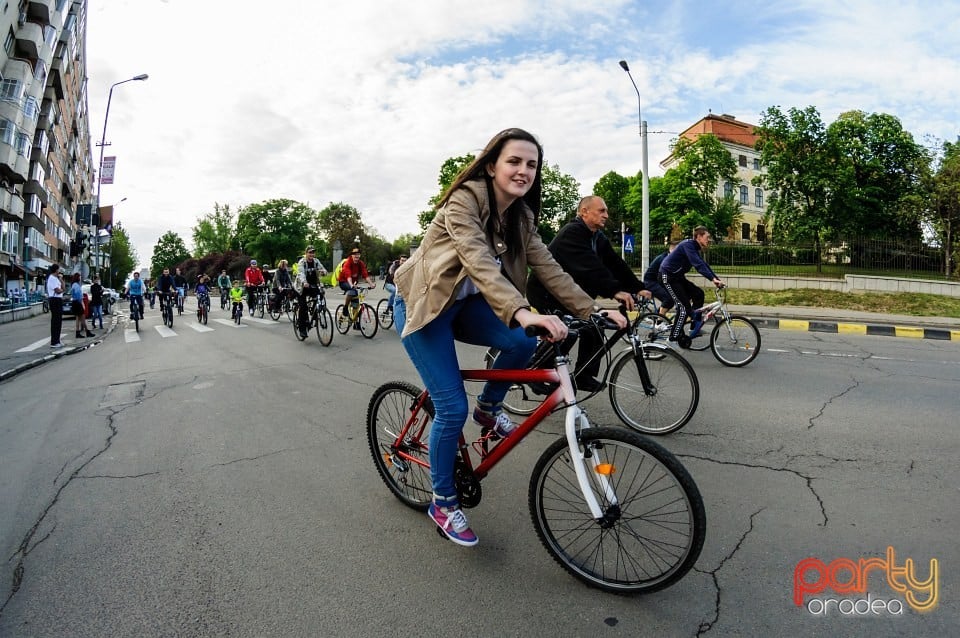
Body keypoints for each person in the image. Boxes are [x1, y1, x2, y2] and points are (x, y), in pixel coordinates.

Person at [393, 128, 627, 546]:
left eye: (531, 164)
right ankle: (443, 502)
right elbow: (478, 260)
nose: (523, 171)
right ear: (492, 165)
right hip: (425, 308)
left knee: (522, 342)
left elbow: (549, 267)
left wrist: (593, 310)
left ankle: (489, 408)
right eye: (514, 161)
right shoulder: (464, 201)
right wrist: (522, 311)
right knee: (450, 409)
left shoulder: (521, 217)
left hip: (464, 307)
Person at [526, 195, 651, 392]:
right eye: (601, 211)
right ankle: (536, 372)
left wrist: (637, 287)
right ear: (584, 212)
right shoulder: (572, 233)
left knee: (595, 328)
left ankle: (583, 375)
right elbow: (589, 268)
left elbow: (614, 264)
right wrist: (614, 291)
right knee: (566, 331)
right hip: (546, 293)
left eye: (606, 211)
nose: (606, 215)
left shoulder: (597, 237)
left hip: (570, 295)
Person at [659, 226, 725, 347]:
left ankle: (695, 326)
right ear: (698, 237)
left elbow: (704, 264)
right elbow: (698, 264)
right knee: (684, 308)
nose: (709, 240)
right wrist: (712, 279)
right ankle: (672, 340)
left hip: (678, 277)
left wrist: (716, 279)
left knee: (698, 294)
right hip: (668, 277)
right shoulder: (688, 245)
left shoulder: (694, 248)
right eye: (707, 237)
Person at [295, 246, 328, 338]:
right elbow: (301, 273)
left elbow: (323, 269)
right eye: (310, 252)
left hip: (312, 285)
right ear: (306, 253)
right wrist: (304, 282)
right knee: (303, 307)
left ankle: (314, 317)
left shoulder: (316, 261)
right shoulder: (302, 262)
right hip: (301, 287)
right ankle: (302, 329)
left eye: (313, 253)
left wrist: (323, 272)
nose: (312, 254)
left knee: (321, 296)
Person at [337, 248, 375, 317]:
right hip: (343, 282)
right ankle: (345, 307)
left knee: (357, 304)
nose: (356, 257)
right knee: (352, 290)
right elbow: (348, 275)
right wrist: (351, 284)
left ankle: (356, 323)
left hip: (353, 284)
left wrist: (371, 284)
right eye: (355, 255)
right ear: (351, 255)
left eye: (358, 255)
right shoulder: (348, 263)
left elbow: (365, 275)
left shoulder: (360, 263)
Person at [643, 241, 679, 316]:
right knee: (668, 299)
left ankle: (656, 316)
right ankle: (659, 322)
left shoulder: (670, 258)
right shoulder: (664, 259)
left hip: (659, 281)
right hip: (651, 283)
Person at [69, 273, 94, 338]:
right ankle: (87, 332)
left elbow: (72, 293)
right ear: (77, 278)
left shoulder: (73, 285)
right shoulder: (76, 285)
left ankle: (78, 332)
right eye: (79, 277)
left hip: (75, 302)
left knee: (78, 318)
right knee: (82, 318)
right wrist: (81, 301)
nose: (80, 278)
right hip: (78, 303)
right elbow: (78, 294)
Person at [46, 264, 65, 348]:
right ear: (56, 270)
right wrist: (62, 290)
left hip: (58, 299)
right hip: (54, 299)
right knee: (55, 321)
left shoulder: (56, 279)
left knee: (59, 321)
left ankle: (57, 340)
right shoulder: (51, 278)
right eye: (59, 269)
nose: (59, 271)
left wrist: (61, 280)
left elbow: (63, 287)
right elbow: (57, 290)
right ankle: (54, 342)